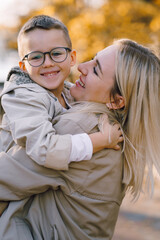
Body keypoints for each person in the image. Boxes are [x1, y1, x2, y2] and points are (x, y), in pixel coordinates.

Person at [0, 38, 159, 239]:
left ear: (116, 101)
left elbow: (3, 179)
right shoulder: (113, 132)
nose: (82, 67)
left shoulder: (81, 128)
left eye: (96, 70)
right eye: (93, 60)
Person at [0, 15, 122, 170]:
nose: (48, 63)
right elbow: (45, 149)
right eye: (36, 57)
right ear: (23, 67)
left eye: (56, 53)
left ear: (71, 58)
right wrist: (101, 140)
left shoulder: (69, 92)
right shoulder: (22, 97)